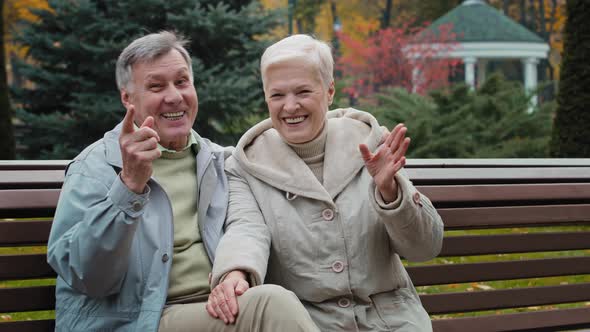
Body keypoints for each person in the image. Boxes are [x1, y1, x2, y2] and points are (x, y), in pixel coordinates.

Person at [46, 31, 318, 332]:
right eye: (156, 86)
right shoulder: (96, 167)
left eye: (182, 81)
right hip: (137, 321)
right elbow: (87, 276)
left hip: (218, 310)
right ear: (127, 98)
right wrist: (128, 187)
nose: (174, 96)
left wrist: (236, 273)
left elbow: (247, 226)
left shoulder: (217, 161)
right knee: (272, 305)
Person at [208, 34, 444, 331]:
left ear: (329, 90)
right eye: (277, 95)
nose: (290, 106)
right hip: (307, 322)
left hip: (392, 321)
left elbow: (426, 248)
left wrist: (391, 191)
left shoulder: (372, 145)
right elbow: (246, 229)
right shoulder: (246, 166)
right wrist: (235, 274)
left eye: (303, 92)